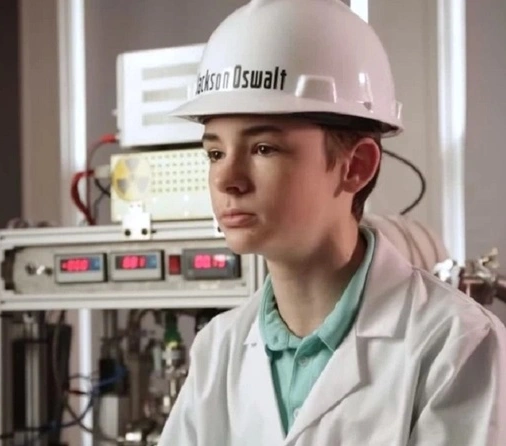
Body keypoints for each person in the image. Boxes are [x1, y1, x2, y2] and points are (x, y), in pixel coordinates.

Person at [156, 0, 506, 444]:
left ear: (355, 166)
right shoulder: (218, 349)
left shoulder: (454, 345)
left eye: (263, 148)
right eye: (215, 153)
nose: (227, 179)